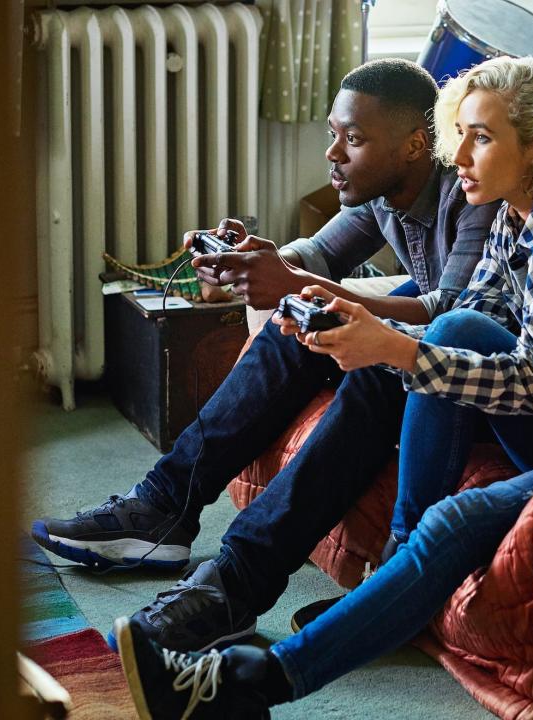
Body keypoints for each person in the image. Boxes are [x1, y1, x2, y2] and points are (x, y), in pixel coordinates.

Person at [111, 56, 533, 719]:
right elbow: (465, 325)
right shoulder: (518, 213)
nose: (457, 154)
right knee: (460, 323)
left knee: (456, 514)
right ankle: (390, 575)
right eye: (458, 132)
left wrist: (397, 348)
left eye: (482, 137)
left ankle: (250, 682)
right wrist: (365, 332)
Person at [30, 58, 498, 648]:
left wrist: (303, 285)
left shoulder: (476, 190)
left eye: (352, 139)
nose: (332, 153)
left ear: (412, 146)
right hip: (439, 337)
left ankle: (235, 583)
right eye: (334, 133)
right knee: (295, 322)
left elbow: (450, 311)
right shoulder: (388, 194)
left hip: (479, 369)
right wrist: (256, 259)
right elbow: (320, 256)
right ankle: (164, 505)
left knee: (371, 364)